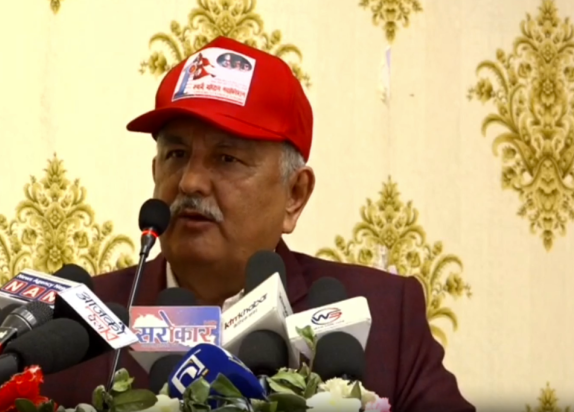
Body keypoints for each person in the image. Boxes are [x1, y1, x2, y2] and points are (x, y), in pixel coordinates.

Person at [42, 36, 475, 412]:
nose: (190, 182)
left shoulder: (385, 315)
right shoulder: (76, 329)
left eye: (227, 158)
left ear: (295, 195)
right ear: (155, 171)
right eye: (176, 155)